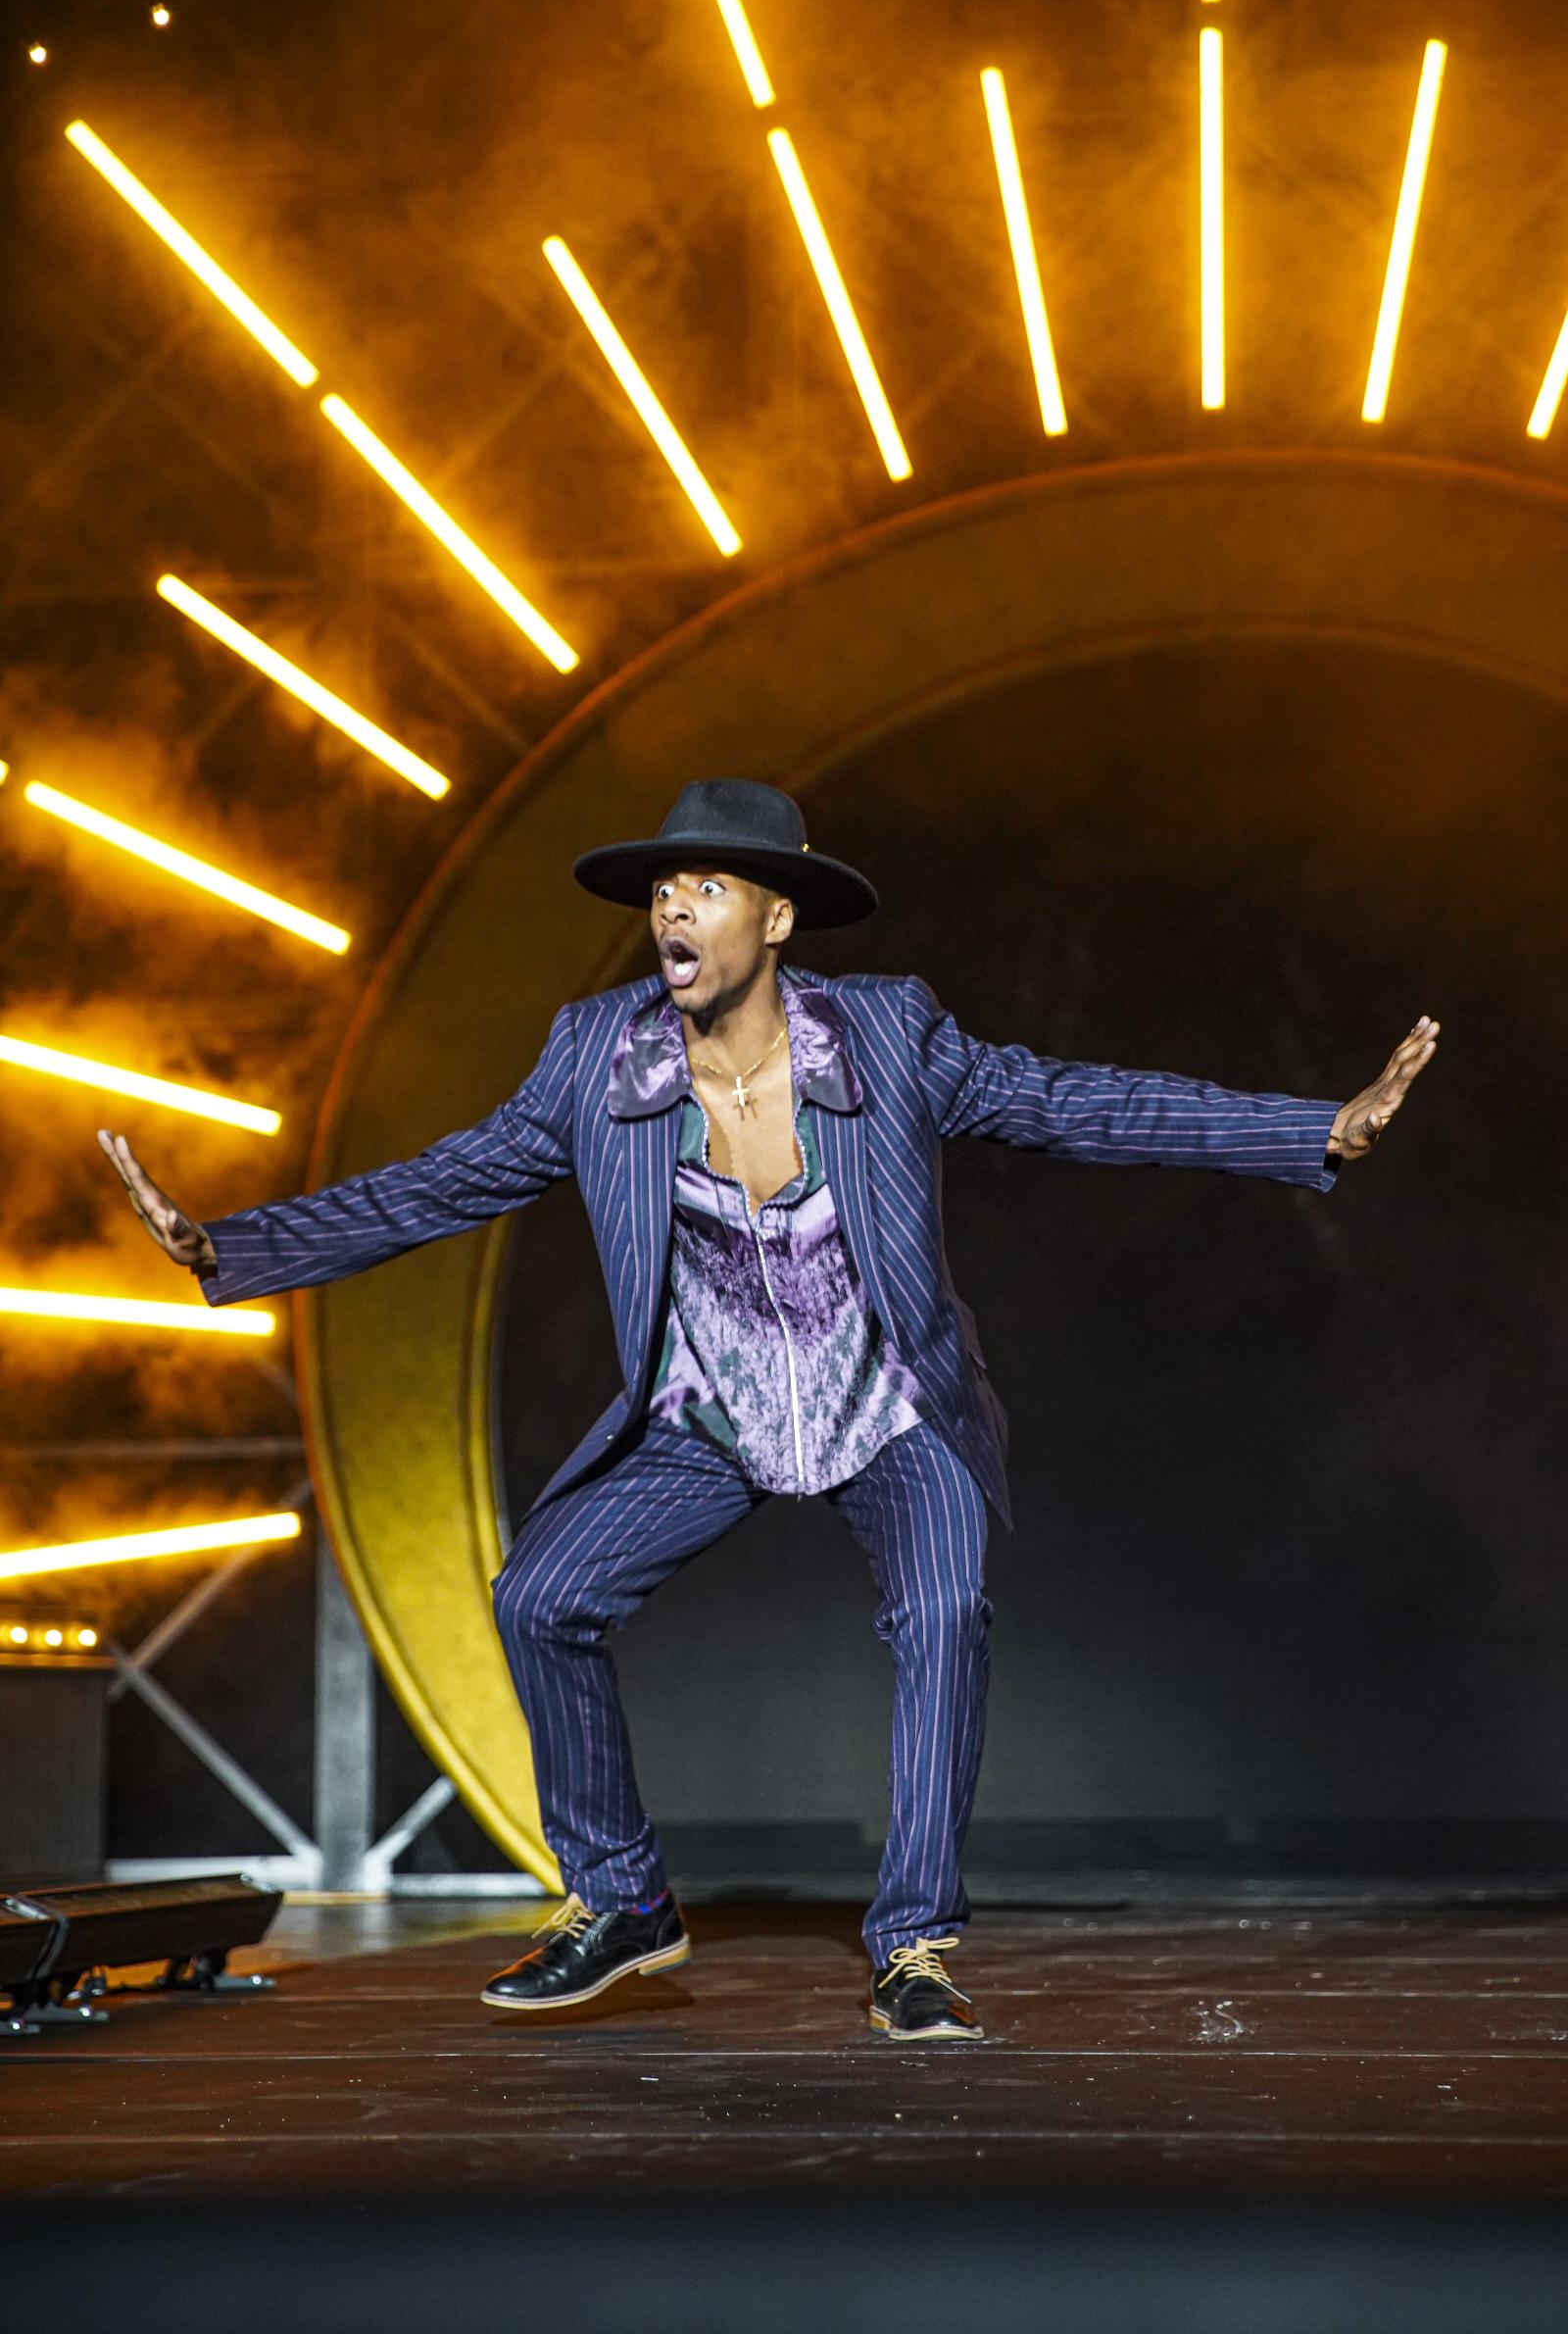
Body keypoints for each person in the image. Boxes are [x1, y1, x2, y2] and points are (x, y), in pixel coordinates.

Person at [100, 776, 1440, 2042]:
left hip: (888, 1402)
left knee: (943, 1609)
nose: (672, 910)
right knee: (539, 1595)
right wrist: (232, 1250)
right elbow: (448, 1182)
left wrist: (1312, 1132)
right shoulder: (595, 1058)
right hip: (713, 1411)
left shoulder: (892, 1035)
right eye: (660, 890)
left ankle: (911, 1950)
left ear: (777, 919)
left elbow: (1075, 1101)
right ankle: (623, 1902)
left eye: (706, 888)